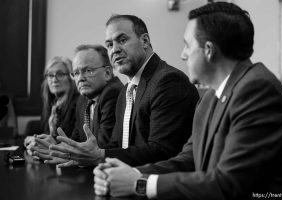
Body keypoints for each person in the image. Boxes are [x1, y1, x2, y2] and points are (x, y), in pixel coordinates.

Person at [93, 2, 282, 199]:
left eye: (187, 45)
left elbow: (229, 184)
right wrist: (126, 174)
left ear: (208, 50)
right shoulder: (210, 96)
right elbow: (189, 159)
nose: (183, 55)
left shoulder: (257, 91)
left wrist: (141, 183)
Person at [48, 14, 199, 167]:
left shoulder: (168, 81)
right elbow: (116, 145)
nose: (115, 50)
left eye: (122, 40)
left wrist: (100, 156)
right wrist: (79, 157)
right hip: (121, 179)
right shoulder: (127, 90)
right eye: (109, 45)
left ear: (144, 41)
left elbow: (161, 151)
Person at [31, 44, 123, 166]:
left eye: (88, 71)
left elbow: (101, 147)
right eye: (76, 73)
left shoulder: (112, 93)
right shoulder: (83, 99)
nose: (80, 78)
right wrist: (57, 147)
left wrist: (65, 152)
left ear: (107, 73)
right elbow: (76, 139)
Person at [24, 56, 79, 154]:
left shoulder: (79, 103)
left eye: (60, 74)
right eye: (50, 75)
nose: (54, 79)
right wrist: (36, 140)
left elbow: (75, 141)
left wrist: (51, 144)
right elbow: (47, 135)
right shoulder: (52, 104)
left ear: (72, 77)